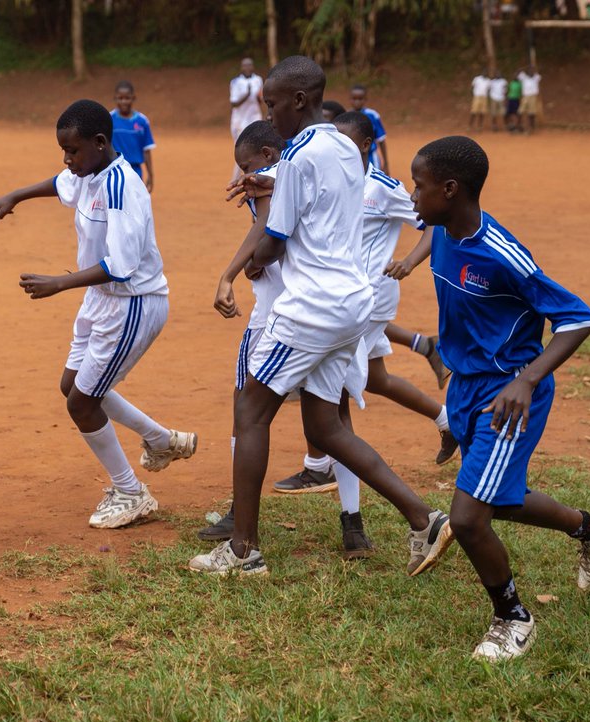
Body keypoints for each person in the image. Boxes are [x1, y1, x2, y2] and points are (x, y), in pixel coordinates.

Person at [188, 56, 451, 577]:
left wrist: (244, 270)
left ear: (300, 100)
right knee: (326, 427)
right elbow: (320, 200)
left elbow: (273, 243)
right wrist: (274, 186)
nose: (268, 112)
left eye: (273, 103)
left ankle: (243, 551)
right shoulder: (342, 145)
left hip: (313, 306)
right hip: (355, 301)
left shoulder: (300, 155)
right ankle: (425, 519)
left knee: (251, 410)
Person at [392, 135, 590, 661]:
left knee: (470, 517)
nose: (413, 193)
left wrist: (526, 379)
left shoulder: (501, 254)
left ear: (450, 190)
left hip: (510, 393)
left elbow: (578, 318)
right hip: (469, 386)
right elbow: (401, 209)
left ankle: (513, 619)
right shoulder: (441, 227)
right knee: (499, 496)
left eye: (420, 184)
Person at [0, 100, 196, 530]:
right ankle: (162, 441)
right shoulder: (90, 171)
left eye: (72, 150)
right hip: (103, 299)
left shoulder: (122, 190)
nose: (66, 160)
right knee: (72, 386)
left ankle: (131, 492)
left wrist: (58, 283)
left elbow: (120, 265)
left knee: (82, 402)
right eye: (62, 149)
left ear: (101, 143)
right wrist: (17, 195)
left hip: (133, 303)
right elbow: (63, 182)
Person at [199, 119, 286, 541]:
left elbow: (264, 228)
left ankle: (240, 517)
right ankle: (355, 523)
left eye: (246, 166)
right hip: (319, 307)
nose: (242, 176)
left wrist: (230, 274)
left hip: (273, 313)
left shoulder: (270, 181)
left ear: (268, 156)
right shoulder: (300, 173)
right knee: (330, 422)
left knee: (244, 408)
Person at [110, 80, 155, 192]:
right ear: (115, 98)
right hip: (114, 170)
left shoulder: (142, 121)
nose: (124, 101)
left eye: (127, 98)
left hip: (135, 171)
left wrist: (150, 174)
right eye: (120, 98)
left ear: (133, 98)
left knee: (134, 205)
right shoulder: (109, 119)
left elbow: (146, 150)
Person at [349, 84, 389, 174]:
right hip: (352, 158)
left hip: (371, 157)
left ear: (365, 99)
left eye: (360, 99)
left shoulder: (373, 115)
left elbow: (381, 141)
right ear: (350, 99)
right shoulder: (346, 116)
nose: (357, 102)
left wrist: (386, 164)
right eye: (354, 99)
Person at [518, 64, 541, 133]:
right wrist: (526, 67)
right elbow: (519, 71)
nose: (531, 72)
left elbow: (537, 72)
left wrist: (533, 68)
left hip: (533, 97)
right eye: (529, 71)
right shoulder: (524, 78)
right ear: (527, 72)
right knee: (520, 111)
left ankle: (531, 127)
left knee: (532, 113)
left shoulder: (536, 78)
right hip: (525, 97)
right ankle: (521, 126)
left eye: (532, 71)